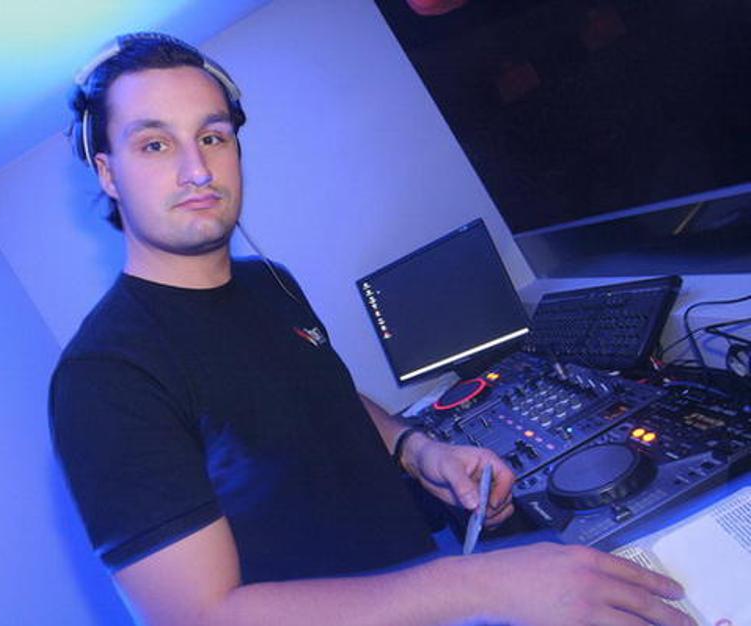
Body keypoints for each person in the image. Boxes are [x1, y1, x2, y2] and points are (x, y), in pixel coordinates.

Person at [49, 32, 695, 626]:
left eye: (212, 136)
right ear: (106, 171)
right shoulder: (105, 376)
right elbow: (202, 617)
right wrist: (479, 585)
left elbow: (323, 394)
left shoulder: (268, 282)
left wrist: (418, 451)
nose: (197, 169)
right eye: (155, 144)